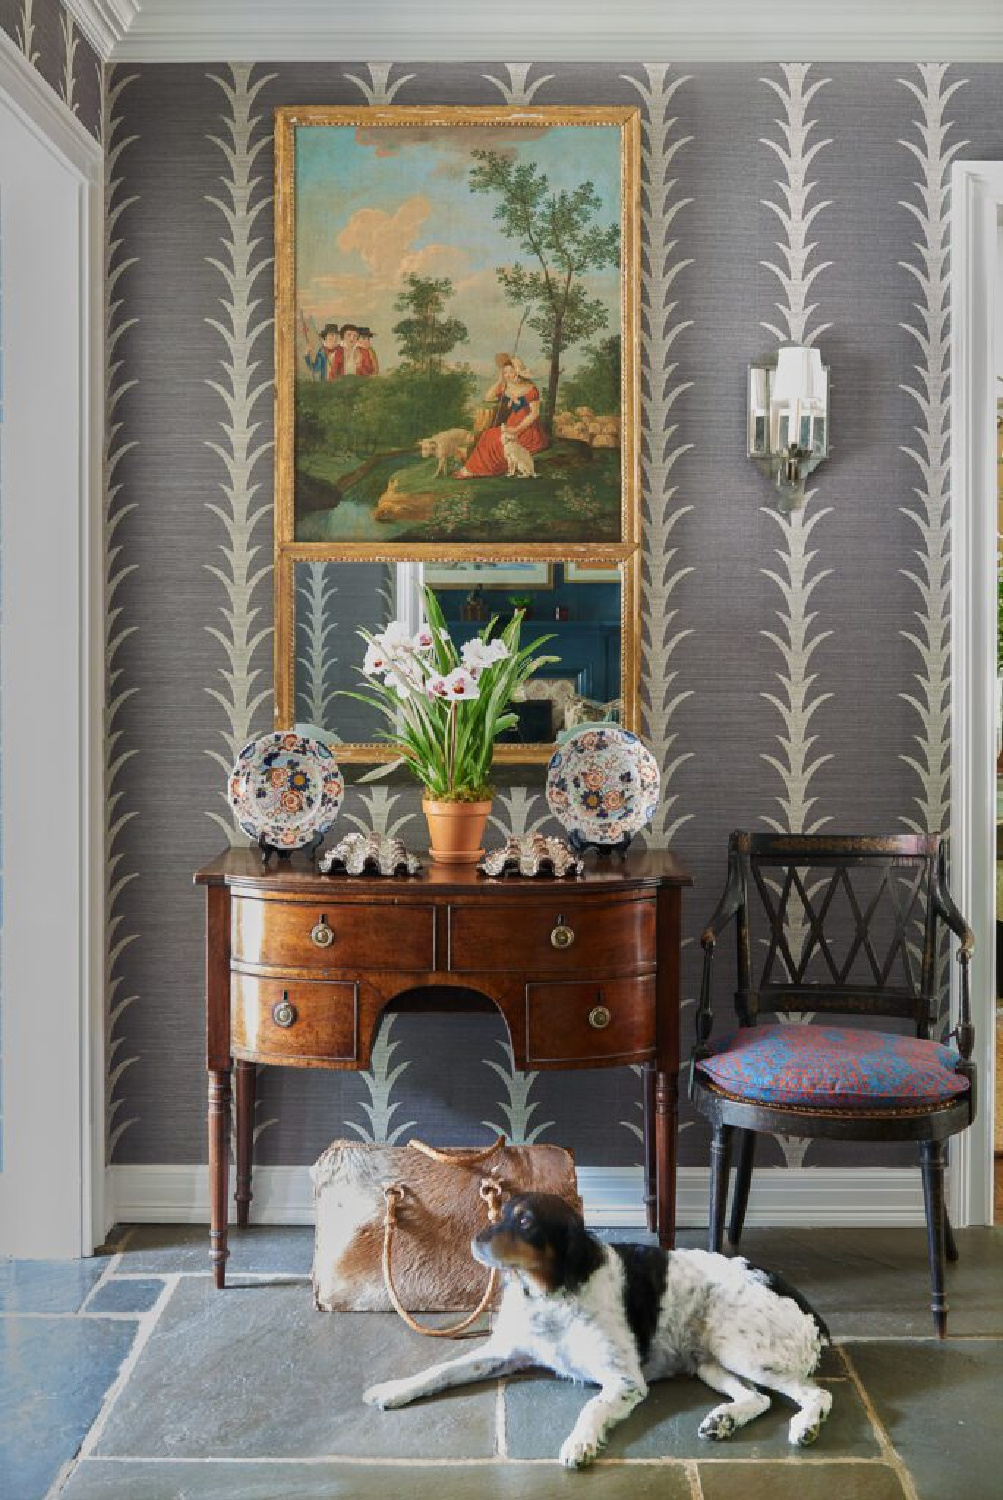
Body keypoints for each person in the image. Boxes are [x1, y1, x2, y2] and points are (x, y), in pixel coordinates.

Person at [456, 355, 549, 477]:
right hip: (510, 426)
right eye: (505, 373)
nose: (508, 375)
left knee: (495, 440)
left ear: (518, 371)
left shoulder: (530, 389)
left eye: (510, 372)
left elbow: (534, 414)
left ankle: (477, 470)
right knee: (487, 435)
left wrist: (517, 430)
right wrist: (500, 381)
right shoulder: (507, 387)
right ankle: (473, 469)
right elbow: (488, 397)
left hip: (527, 430)